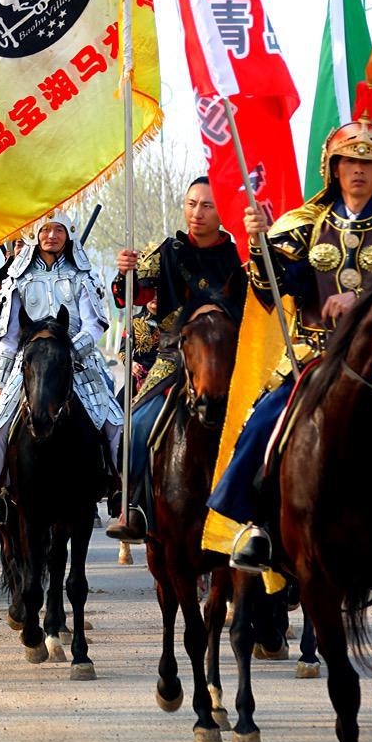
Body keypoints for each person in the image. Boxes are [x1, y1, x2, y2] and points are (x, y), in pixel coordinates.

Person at [208, 114, 372, 571]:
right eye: (349, 160)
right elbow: (274, 288)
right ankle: (254, 523)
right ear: (333, 167)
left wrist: (363, 300)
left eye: (369, 164)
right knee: (264, 419)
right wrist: (259, 243)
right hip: (315, 356)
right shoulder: (303, 222)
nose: (358, 170)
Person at [106, 176, 246, 542]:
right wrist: (124, 271)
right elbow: (128, 295)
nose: (196, 213)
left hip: (230, 363)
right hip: (173, 358)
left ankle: (267, 524)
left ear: (222, 212)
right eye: (191, 204)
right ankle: (132, 505)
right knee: (134, 427)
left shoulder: (238, 257)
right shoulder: (169, 252)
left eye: (206, 206)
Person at [0, 212, 123, 527]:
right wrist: (0, 381)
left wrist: (70, 349)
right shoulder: (18, 279)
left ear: (69, 235)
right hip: (30, 364)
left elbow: (95, 324)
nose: (52, 236)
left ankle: (118, 485)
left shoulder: (83, 275)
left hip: (78, 362)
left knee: (115, 422)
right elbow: (10, 337)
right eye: (46, 230)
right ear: (36, 236)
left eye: (59, 230)